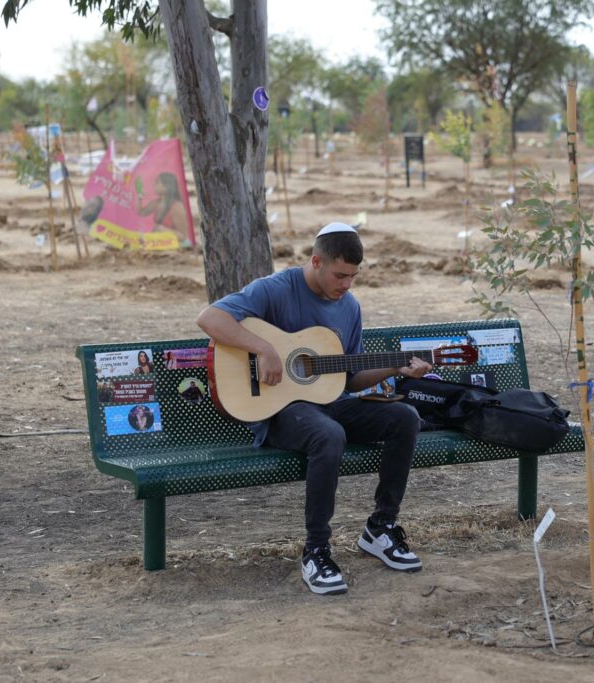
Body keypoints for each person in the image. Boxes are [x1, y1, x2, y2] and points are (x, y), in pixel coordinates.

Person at [196, 223, 433, 596]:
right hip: (279, 412)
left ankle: (381, 527)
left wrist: (395, 367)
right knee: (328, 434)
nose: (347, 285)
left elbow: (347, 379)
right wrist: (264, 348)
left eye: (353, 276)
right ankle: (317, 550)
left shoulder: (349, 307)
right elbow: (210, 318)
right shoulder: (276, 288)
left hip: (331, 405)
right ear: (316, 261)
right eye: (340, 275)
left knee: (404, 417)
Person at [137, 172, 192, 248]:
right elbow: (141, 213)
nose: (154, 185)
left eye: (157, 182)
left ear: (167, 187)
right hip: (162, 242)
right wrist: (139, 198)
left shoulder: (177, 207)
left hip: (178, 244)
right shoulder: (156, 203)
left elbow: (183, 237)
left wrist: (163, 230)